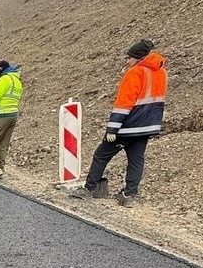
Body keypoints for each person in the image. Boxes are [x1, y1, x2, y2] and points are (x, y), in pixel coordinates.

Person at [71, 40, 167, 207]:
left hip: (128, 126)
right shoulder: (161, 73)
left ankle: (89, 189)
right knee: (136, 160)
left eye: (129, 58)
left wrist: (112, 128)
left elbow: (124, 103)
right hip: (147, 126)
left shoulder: (135, 72)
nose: (127, 61)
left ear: (138, 58)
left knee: (101, 155)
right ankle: (129, 196)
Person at [0, 60, 24, 179]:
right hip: (13, 115)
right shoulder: (17, 82)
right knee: (3, 144)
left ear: (0, 70)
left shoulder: (4, 79)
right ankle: (1, 168)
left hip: (2, 115)